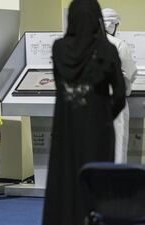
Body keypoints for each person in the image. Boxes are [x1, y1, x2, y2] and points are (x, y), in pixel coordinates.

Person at [42, 0, 126, 224]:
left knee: (65, 180)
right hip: (98, 129)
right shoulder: (107, 49)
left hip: (66, 129)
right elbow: (120, 93)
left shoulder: (59, 48)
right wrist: (105, 116)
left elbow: (61, 87)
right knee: (96, 183)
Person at [102, 8, 137, 163]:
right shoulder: (119, 45)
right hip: (114, 105)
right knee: (117, 151)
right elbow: (130, 73)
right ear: (113, 26)